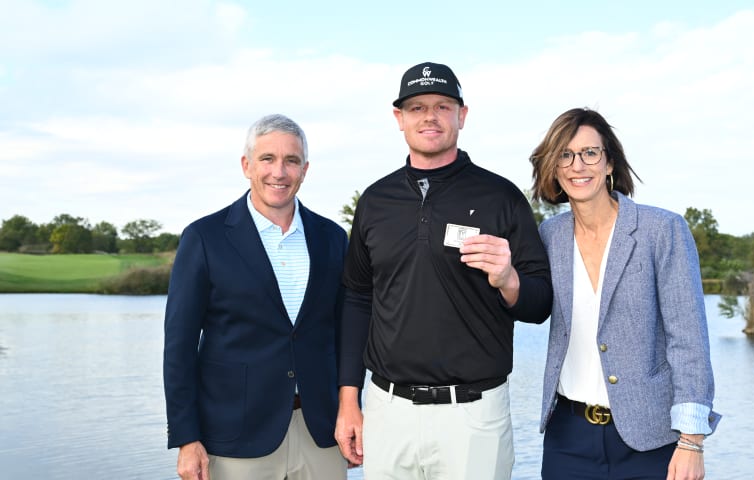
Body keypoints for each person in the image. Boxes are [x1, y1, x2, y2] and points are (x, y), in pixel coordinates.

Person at [334, 61, 553, 479]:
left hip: (474, 416)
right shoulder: (375, 201)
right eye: (416, 107)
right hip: (387, 410)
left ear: (462, 116)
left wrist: (508, 279)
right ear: (399, 118)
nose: (429, 116)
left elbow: (539, 304)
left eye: (442, 106)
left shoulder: (501, 197)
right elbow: (357, 300)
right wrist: (349, 399)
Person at [529, 107, 721, 480]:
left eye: (589, 153)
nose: (577, 165)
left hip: (650, 440)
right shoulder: (549, 236)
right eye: (564, 155)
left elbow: (689, 342)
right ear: (553, 168)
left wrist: (692, 441)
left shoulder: (661, 230)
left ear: (609, 162)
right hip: (567, 439)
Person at [163, 114, 348, 480]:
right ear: (247, 165)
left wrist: (350, 410)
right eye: (267, 159)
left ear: (305, 169)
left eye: (291, 161)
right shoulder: (205, 238)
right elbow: (179, 347)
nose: (279, 172)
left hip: (320, 433)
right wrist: (187, 438)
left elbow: (344, 336)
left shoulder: (332, 238)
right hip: (235, 437)